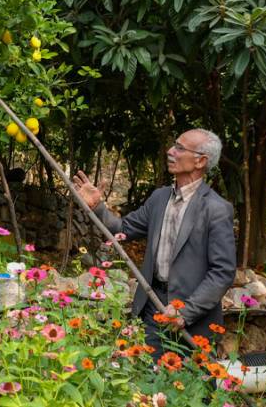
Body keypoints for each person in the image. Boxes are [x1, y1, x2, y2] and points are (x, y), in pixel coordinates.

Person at [73, 128, 236, 356]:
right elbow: (123, 230)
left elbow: (223, 272)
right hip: (152, 306)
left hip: (193, 319)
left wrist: (186, 311)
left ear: (200, 161)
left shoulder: (216, 209)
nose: (170, 151)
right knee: (148, 375)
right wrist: (97, 207)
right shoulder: (160, 198)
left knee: (189, 378)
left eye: (179, 148)